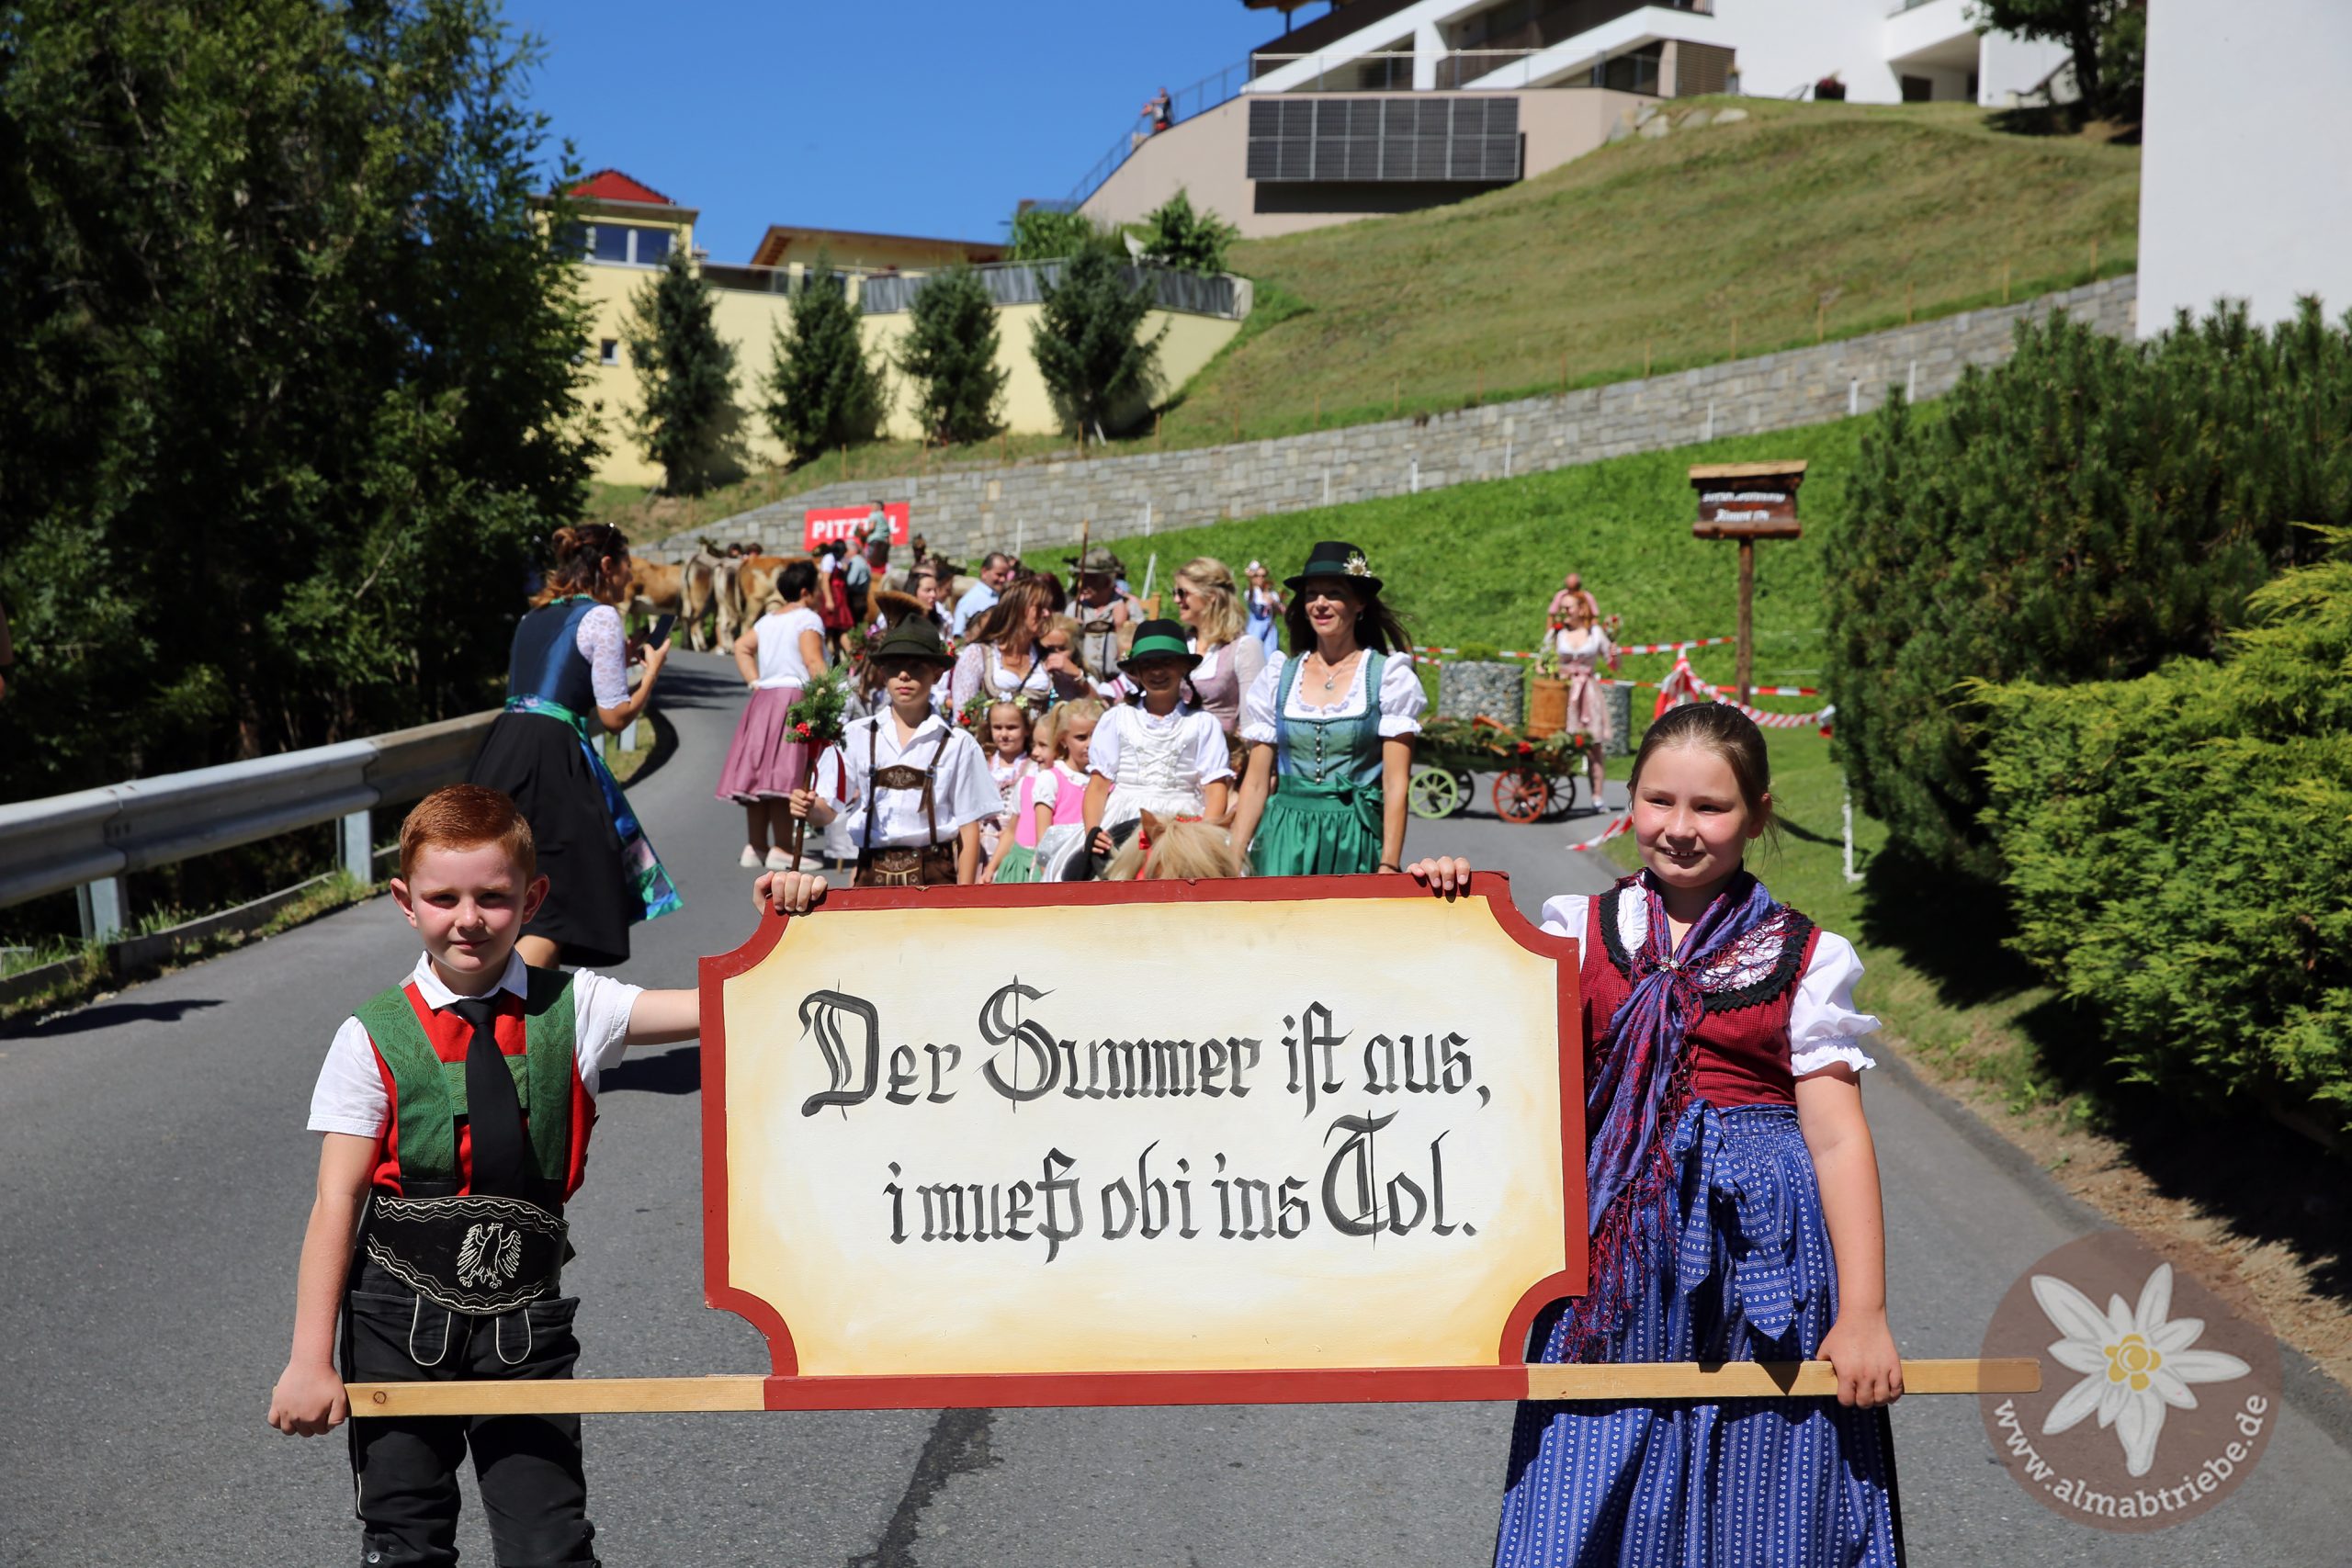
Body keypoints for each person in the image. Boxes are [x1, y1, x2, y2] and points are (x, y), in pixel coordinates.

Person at [266, 784, 827, 1564]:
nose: (468, 918)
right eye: (443, 898)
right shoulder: (370, 1035)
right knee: (405, 1542)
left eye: (493, 897)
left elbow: (733, 1001)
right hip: (395, 1319)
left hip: (524, 1318)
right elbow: (337, 1198)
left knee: (549, 1543)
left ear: (532, 900)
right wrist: (309, 1357)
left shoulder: (578, 1006)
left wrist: (782, 928)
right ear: (405, 901)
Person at [1408, 703, 1904, 1568]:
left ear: (1757, 813)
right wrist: (1442, 904)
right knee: (1587, 1454)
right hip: (1614, 1248)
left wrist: (1864, 1313)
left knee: (1765, 1468)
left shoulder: (1807, 956)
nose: (1680, 828)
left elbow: (1835, 1139)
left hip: (1763, 1257)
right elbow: (1474, 1044)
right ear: (1629, 799)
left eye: (1710, 807)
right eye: (1659, 800)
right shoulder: (1572, 929)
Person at [468, 524, 680, 968]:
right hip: (552, 756)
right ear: (606, 565)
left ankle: (492, 994)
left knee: (507, 883)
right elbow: (615, 716)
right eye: (627, 566)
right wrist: (651, 672)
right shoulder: (602, 616)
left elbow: (553, 674)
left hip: (504, 746)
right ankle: (517, 1007)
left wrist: (620, 657)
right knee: (555, 905)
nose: (630, 577)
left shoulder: (532, 616)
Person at [1228, 541, 1423, 878]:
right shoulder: (1280, 675)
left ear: (1359, 603)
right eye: (1311, 594)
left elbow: (1395, 783)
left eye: (1334, 593)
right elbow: (1257, 783)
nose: (1320, 603)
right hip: (1284, 837)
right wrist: (1232, 860)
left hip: (1354, 837)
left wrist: (1389, 863)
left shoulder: (1387, 677)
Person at [791, 616, 998, 886]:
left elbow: (968, 828)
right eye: (894, 666)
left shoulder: (958, 744)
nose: (904, 675)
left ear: (937, 674)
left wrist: (963, 897)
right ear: (883, 673)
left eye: (916, 666)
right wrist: (808, 807)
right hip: (871, 874)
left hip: (935, 877)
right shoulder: (855, 735)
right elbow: (828, 810)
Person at [1076, 619, 1233, 879]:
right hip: (1124, 817)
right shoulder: (1117, 719)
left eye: (1166, 662)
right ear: (1136, 670)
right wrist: (1093, 829)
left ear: (1183, 667)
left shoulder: (1203, 723)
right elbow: (1099, 785)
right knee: (1081, 874)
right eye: (1148, 664)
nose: (1157, 671)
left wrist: (1203, 837)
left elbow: (1215, 788)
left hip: (1185, 822)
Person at [717, 561, 829, 872]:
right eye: (818, 588)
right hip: (793, 697)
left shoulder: (767, 620)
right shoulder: (807, 618)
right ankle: (782, 847)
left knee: (760, 775)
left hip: (764, 699)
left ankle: (756, 845)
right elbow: (813, 662)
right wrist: (832, 699)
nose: (821, 595)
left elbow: (741, 646)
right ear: (806, 592)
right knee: (784, 775)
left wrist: (755, 681)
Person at [1170, 556, 1266, 785]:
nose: (1176, 600)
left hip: (1221, 767)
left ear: (1211, 596)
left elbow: (1253, 727)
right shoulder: (1179, 644)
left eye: (1183, 593)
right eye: (1175, 592)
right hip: (1175, 763)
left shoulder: (1244, 647)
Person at [948, 577, 1056, 716]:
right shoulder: (978, 654)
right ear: (1018, 609)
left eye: (1048, 608)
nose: (1047, 614)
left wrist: (1078, 676)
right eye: (1040, 608)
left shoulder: (1046, 657)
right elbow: (962, 715)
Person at [982, 716, 1061, 886]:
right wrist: (991, 868)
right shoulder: (1025, 784)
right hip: (1018, 870)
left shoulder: (1071, 785)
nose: (1035, 752)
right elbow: (1012, 832)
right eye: (1034, 745)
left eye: (1043, 745)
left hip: (1051, 870)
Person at [1553, 598, 1616, 809]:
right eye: (1562, 607)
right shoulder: (1557, 633)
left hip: (1587, 694)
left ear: (1581, 609)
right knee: (1554, 740)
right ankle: (1541, 787)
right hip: (1562, 692)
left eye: (1568, 607)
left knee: (1594, 746)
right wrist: (1550, 670)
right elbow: (1541, 661)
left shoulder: (1595, 633)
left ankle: (1597, 797)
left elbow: (1614, 665)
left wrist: (1614, 653)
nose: (1564, 611)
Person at [1068, 545, 1140, 687]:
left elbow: (1137, 656)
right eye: (1081, 578)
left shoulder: (1129, 607)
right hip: (1083, 683)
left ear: (1108, 581)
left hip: (1120, 684)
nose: (1082, 584)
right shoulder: (1075, 609)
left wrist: (1121, 627)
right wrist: (1072, 633)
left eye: (1091, 579)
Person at [975, 699, 1035, 868]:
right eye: (997, 727)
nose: (1004, 734)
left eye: (1011, 727)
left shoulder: (1032, 767)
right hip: (982, 843)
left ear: (1027, 729)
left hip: (1016, 844)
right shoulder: (982, 764)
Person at [951, 551, 1013, 637]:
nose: (1003, 579)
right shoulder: (969, 601)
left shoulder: (1003, 597)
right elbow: (958, 636)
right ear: (984, 572)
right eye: (999, 575)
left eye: (1005, 575)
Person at [1546, 571, 1600, 649]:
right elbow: (1551, 616)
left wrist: (1594, 635)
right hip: (1564, 632)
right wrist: (1549, 636)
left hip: (1584, 632)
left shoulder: (1586, 597)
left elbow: (1594, 618)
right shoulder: (1561, 596)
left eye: (1574, 589)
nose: (1572, 592)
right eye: (1570, 588)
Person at [1243, 560, 1283, 660]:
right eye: (1257, 576)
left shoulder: (1272, 594)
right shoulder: (1251, 593)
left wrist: (1274, 603)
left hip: (1269, 628)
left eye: (1263, 576)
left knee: (1270, 653)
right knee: (1253, 653)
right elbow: (1255, 605)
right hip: (1255, 628)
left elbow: (1281, 611)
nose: (1260, 578)